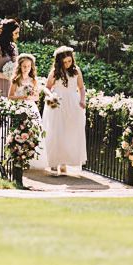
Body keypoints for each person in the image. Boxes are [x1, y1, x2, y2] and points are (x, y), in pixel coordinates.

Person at [42, 46, 86, 175]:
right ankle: (54, 161)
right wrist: (51, 96)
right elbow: (47, 88)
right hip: (58, 103)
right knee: (56, 132)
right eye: (64, 62)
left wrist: (82, 100)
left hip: (73, 103)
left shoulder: (76, 71)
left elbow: (81, 88)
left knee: (69, 132)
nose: (67, 64)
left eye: (69, 61)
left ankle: (64, 162)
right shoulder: (54, 72)